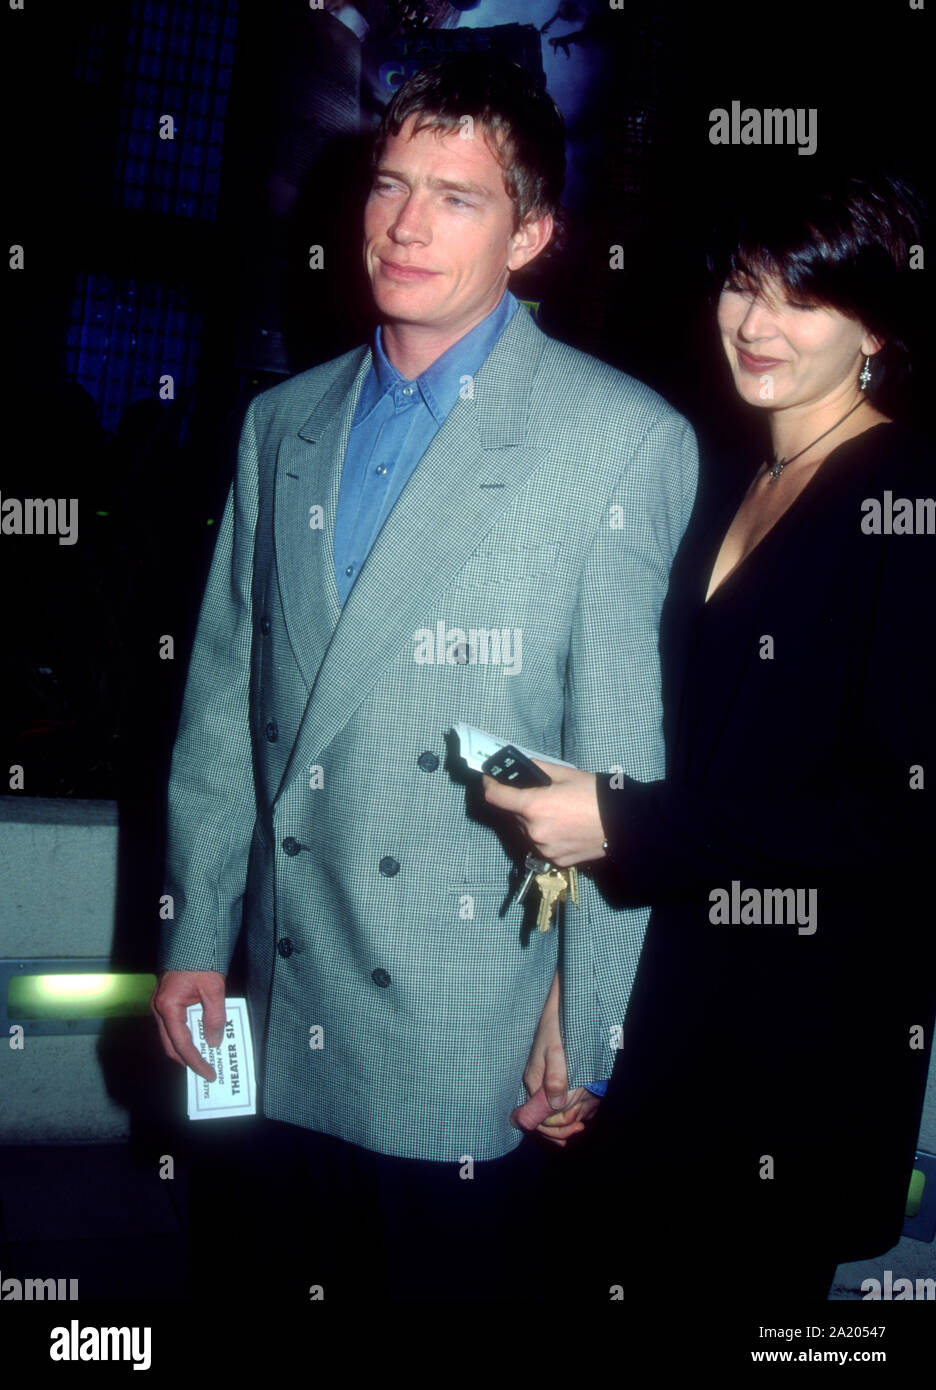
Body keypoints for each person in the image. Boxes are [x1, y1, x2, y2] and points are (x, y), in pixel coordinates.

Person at [150, 54, 698, 1300]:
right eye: (391, 185)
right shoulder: (280, 422)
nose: (405, 225)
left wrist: (590, 1027)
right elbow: (228, 707)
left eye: (458, 198)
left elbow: (620, 773)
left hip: (460, 1024)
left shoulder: (618, 439)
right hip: (270, 988)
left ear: (536, 233)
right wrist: (192, 935)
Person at [483, 171, 935, 1301]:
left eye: (805, 296)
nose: (758, 322)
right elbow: (657, 757)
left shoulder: (911, 500)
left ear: (876, 324)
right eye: (743, 284)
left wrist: (623, 819)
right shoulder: (717, 478)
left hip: (796, 1053)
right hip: (661, 1014)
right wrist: (571, 1003)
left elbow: (901, 812)